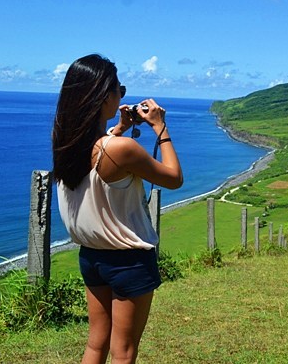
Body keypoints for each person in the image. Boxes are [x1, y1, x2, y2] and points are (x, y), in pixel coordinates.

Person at [52, 54, 183, 364]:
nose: (121, 96)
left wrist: (120, 127)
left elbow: (101, 156)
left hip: (92, 256)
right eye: (119, 89)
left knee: (96, 344)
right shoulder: (119, 149)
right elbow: (174, 178)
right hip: (128, 260)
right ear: (103, 96)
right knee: (123, 351)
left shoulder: (68, 144)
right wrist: (160, 128)